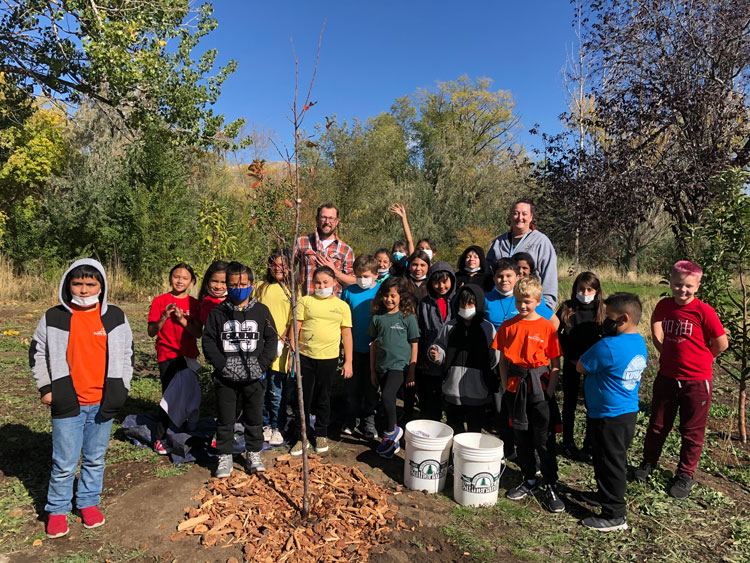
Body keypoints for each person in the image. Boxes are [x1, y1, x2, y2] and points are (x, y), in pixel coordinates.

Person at [31, 258, 133, 538]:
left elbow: (127, 354)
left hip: (102, 402)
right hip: (67, 403)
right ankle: (57, 509)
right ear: (68, 285)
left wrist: (122, 386)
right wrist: (47, 389)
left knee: (95, 458)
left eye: (91, 284)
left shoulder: (114, 316)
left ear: (102, 286)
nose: (84, 290)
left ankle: (88, 503)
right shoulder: (55, 317)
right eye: (78, 284)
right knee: (64, 462)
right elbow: (38, 353)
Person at [634, 261, 728, 499]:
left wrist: (706, 358)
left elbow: (721, 343)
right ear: (671, 281)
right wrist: (659, 343)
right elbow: (656, 319)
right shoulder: (665, 305)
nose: (682, 290)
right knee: (657, 424)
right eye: (677, 285)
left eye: (688, 286)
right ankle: (648, 463)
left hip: (696, 382)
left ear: (697, 285)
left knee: (691, 431)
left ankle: (685, 474)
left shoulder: (704, 311)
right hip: (666, 377)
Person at [575, 292, 647, 532]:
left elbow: (581, 366)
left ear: (623, 319)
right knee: (608, 459)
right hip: (625, 413)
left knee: (610, 462)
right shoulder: (638, 341)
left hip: (609, 415)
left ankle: (614, 514)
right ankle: (604, 495)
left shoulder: (608, 346)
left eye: (608, 317)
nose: (603, 321)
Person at [494, 277, 564, 513]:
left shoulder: (547, 327)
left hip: (540, 387)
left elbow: (555, 362)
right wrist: (505, 386)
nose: (522, 306)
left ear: (537, 301)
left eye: (527, 301)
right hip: (516, 388)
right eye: (518, 301)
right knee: (521, 435)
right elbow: (503, 360)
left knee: (543, 439)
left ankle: (551, 483)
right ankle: (529, 479)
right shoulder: (508, 326)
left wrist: (550, 389)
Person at [202, 262, 278, 478]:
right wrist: (222, 365)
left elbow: (271, 338)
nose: (238, 288)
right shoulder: (218, 313)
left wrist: (262, 364)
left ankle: (253, 453)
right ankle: (224, 455)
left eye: (243, 284)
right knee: (225, 419)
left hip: (254, 377)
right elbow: (208, 341)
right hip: (225, 378)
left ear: (251, 285)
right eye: (233, 284)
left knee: (254, 418)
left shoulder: (261, 311)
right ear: (227, 285)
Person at [289, 266, 353, 455]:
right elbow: (296, 327)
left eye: (326, 282)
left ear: (334, 283)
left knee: (323, 397)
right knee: (303, 398)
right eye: (318, 282)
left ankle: (321, 433)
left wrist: (348, 361)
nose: (321, 286)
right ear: (312, 283)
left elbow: (346, 334)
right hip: (305, 357)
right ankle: (302, 436)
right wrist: (293, 354)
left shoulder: (342, 306)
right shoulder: (305, 301)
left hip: (329, 359)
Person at [147, 262, 201, 455]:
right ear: (170, 278)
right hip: (167, 355)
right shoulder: (160, 301)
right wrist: (163, 317)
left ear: (192, 281)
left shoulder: (194, 304)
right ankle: (160, 438)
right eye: (176, 276)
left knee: (188, 393)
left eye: (185, 278)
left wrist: (182, 319)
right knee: (169, 397)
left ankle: (183, 427)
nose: (180, 281)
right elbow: (151, 332)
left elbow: (197, 332)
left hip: (188, 356)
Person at [430, 285, 499, 434]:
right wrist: (436, 354)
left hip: (478, 390)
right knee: (454, 426)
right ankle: (454, 456)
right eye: (462, 304)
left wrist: (484, 376)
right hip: (452, 388)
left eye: (470, 304)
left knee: (475, 429)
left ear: (479, 304)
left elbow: (494, 357)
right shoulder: (450, 326)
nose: (466, 307)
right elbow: (439, 345)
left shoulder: (487, 328)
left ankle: (470, 457)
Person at [369, 276, 420, 458]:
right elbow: (373, 344)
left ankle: (391, 432)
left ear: (401, 298)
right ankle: (392, 445)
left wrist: (411, 371)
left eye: (393, 296)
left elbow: (414, 344)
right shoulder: (377, 318)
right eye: (386, 295)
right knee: (386, 401)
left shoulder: (407, 317)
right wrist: (372, 370)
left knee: (388, 396)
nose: (389, 299)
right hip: (381, 366)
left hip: (400, 366)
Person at [556, 272, 605, 461]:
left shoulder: (602, 309)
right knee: (569, 403)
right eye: (581, 289)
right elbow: (554, 329)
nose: (585, 293)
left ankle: (589, 444)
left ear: (596, 291)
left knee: (591, 404)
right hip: (571, 362)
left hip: (594, 365)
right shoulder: (567, 308)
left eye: (589, 289)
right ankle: (568, 442)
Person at [254, 249, 296, 447]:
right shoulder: (260, 287)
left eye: (283, 265)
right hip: (260, 346)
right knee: (261, 388)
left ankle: (278, 425)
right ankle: (266, 424)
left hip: (280, 346)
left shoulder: (293, 289)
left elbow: (293, 319)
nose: (278, 268)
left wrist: (284, 340)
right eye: (275, 264)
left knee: (276, 389)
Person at [486, 199, 559, 308]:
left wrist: (546, 307)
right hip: (500, 304)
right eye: (516, 213)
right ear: (510, 216)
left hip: (529, 306)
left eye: (524, 214)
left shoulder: (541, 242)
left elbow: (549, 277)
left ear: (531, 217)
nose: (520, 217)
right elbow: (488, 275)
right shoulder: (498, 243)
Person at [341, 254, 381, 439]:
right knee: (352, 387)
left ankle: (369, 424)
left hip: (375, 349)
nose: (362, 279)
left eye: (366, 276)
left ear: (375, 274)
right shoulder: (349, 291)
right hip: (353, 348)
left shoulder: (381, 291)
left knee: (371, 388)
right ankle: (350, 420)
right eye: (359, 275)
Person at [417, 261, 457, 422]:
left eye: (445, 281)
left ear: (451, 281)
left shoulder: (456, 301)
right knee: (430, 397)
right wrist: (421, 357)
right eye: (436, 282)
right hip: (429, 358)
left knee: (449, 397)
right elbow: (419, 331)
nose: (441, 286)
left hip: (451, 357)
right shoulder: (424, 303)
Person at [295, 203, 355, 296]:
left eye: (331, 218)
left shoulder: (346, 250)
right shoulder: (302, 242)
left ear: (337, 221)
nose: (327, 222)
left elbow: (354, 282)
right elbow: (288, 270)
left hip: (332, 307)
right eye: (324, 217)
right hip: (307, 304)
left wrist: (335, 272)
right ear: (317, 219)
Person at [198, 260, 228, 327]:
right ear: (208, 281)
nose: (218, 286)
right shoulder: (207, 303)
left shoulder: (234, 300)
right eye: (214, 281)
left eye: (223, 282)